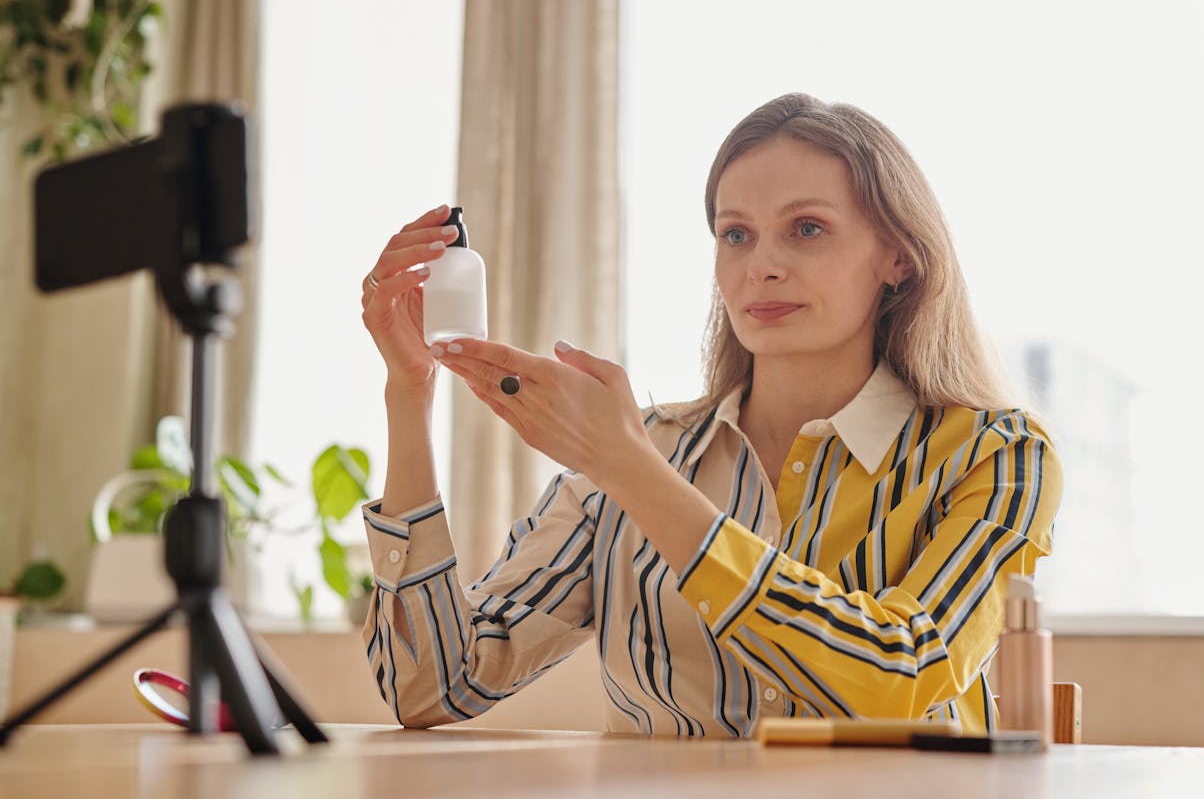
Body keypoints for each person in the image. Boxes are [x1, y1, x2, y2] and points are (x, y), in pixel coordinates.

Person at [357, 93, 1061, 737]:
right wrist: (409, 391)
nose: (762, 266)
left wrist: (634, 473)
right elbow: (430, 688)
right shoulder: (635, 452)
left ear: (899, 257)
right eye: (736, 234)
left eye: (807, 228)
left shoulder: (997, 456)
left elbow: (898, 678)